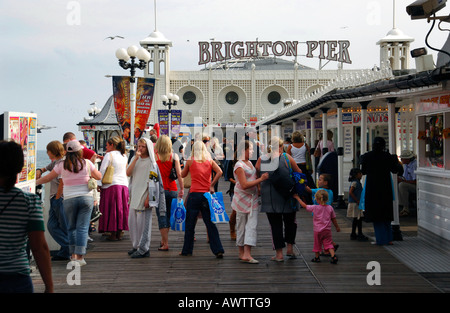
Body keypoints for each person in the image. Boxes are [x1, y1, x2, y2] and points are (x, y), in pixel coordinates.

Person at [36, 140, 102, 266]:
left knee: (71, 228)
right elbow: (98, 176)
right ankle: (80, 257)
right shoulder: (87, 163)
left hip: (69, 199)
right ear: (80, 151)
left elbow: (48, 177)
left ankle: (73, 256)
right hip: (86, 198)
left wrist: (35, 182)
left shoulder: (62, 165)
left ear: (67, 151)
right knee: (82, 228)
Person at [0, 140, 54, 293]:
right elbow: (39, 247)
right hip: (16, 279)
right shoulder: (28, 201)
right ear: (19, 167)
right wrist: (49, 286)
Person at [256, 136, 302, 261]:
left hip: (270, 199)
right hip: (288, 196)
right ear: (282, 147)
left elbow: (257, 172)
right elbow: (299, 173)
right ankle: (290, 249)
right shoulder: (288, 158)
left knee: (275, 225)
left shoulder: (262, 159)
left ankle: (279, 254)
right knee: (290, 223)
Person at [180, 140, 225, 258]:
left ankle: (187, 250)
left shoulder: (190, 161)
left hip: (194, 194)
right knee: (210, 223)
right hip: (206, 195)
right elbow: (220, 172)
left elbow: (183, 175)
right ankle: (218, 249)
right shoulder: (209, 161)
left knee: (190, 224)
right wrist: (211, 185)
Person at [126, 138, 165, 258]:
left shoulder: (152, 163)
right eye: (138, 146)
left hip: (145, 194)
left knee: (143, 224)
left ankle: (144, 248)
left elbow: (154, 181)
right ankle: (136, 245)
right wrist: (135, 158)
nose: (140, 148)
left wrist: (149, 197)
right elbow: (128, 173)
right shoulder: (135, 158)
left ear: (147, 147)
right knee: (133, 222)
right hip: (134, 194)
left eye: (142, 146)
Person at [360, 137, 403, 246]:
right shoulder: (388, 157)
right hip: (385, 186)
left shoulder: (367, 156)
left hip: (372, 187)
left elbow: (363, 171)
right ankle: (389, 238)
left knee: (376, 215)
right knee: (386, 213)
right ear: (384, 145)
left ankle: (380, 240)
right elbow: (395, 170)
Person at [232, 140, 269, 264]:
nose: (253, 151)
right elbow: (244, 185)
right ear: (244, 150)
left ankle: (247, 253)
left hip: (252, 199)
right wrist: (261, 180)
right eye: (251, 149)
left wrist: (258, 187)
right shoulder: (239, 165)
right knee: (241, 225)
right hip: (243, 198)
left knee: (251, 225)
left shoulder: (249, 163)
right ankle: (242, 252)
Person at [36, 140, 70, 261]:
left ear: (52, 151)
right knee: (52, 226)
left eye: (48, 151)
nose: (47, 153)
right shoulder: (55, 163)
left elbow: (62, 181)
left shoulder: (62, 163)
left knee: (61, 226)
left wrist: (57, 196)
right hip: (54, 199)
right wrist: (39, 170)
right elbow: (46, 168)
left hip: (59, 199)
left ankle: (67, 248)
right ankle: (67, 248)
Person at [155, 135, 184, 251]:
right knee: (168, 215)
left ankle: (165, 242)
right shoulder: (174, 156)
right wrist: (182, 189)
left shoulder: (155, 157)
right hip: (172, 189)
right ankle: (164, 240)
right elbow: (179, 174)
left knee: (162, 215)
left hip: (159, 190)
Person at [97, 136, 129, 241]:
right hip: (123, 185)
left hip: (111, 185)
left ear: (112, 145)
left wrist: (99, 183)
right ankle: (119, 231)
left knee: (111, 209)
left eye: (107, 145)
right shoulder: (124, 156)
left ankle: (112, 233)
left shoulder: (109, 155)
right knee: (120, 209)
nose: (105, 147)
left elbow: (102, 171)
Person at [297, 189, 340, 264]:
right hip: (327, 230)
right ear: (327, 199)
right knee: (329, 243)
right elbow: (333, 219)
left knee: (317, 244)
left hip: (318, 231)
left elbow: (305, 206)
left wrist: (298, 198)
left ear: (317, 199)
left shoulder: (315, 207)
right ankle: (333, 256)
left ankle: (317, 258)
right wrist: (337, 227)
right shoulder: (330, 208)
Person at [287, 131, 315, 203]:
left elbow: (288, 158)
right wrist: (311, 167)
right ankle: (309, 199)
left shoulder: (290, 146)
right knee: (307, 182)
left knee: (296, 182)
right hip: (304, 166)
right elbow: (308, 157)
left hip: (294, 166)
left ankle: (297, 198)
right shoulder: (305, 145)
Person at [347, 168, 368, 241]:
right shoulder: (355, 183)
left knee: (356, 219)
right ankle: (359, 233)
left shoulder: (356, 182)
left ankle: (354, 233)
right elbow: (350, 192)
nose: (361, 175)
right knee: (358, 218)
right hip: (355, 203)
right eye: (360, 173)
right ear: (356, 175)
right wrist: (357, 200)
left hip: (356, 203)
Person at [398, 150, 417, 217]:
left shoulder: (414, 165)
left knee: (402, 185)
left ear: (407, 159)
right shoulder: (406, 165)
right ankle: (400, 205)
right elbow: (404, 177)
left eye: (402, 158)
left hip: (416, 186)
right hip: (410, 183)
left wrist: (403, 181)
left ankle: (405, 208)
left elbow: (416, 181)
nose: (401, 159)